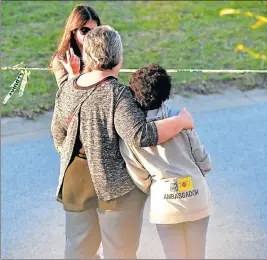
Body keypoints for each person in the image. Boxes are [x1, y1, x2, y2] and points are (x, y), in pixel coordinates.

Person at [51, 25, 195, 259]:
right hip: (113, 188)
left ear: (87, 56)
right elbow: (141, 135)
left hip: (74, 184)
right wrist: (180, 122)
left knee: (78, 252)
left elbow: (58, 133)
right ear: (118, 57)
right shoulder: (118, 94)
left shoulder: (68, 87)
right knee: (121, 252)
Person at [120, 63, 212, 259]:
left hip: (164, 202)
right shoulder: (179, 117)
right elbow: (202, 159)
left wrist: (152, 184)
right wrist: (202, 167)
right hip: (196, 197)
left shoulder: (131, 132)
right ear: (165, 94)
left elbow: (137, 172)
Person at [50, 4, 101, 87]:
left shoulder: (102, 54)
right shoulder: (62, 58)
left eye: (95, 31)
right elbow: (65, 95)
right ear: (74, 31)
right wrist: (74, 74)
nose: (90, 35)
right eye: (85, 30)